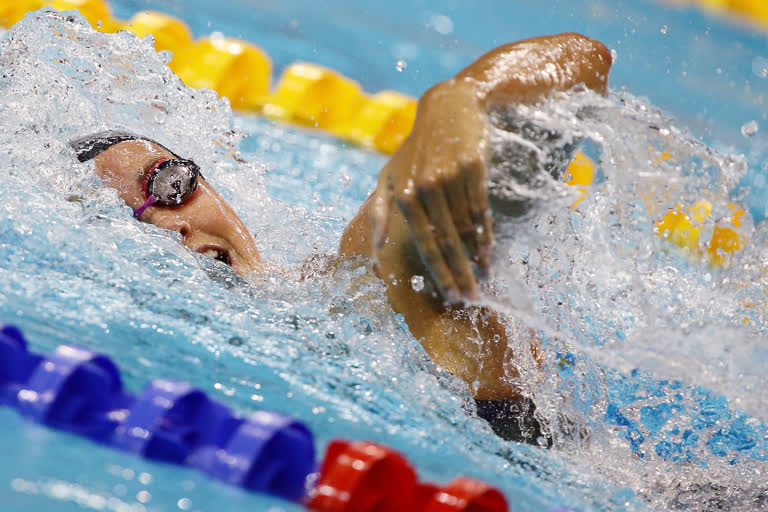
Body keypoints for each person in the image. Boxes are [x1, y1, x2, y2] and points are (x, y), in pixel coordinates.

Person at [71, 33, 612, 443]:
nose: (169, 224)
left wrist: (462, 100)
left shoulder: (358, 291)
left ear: (207, 182)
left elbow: (581, 60)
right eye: (126, 220)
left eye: (168, 185)